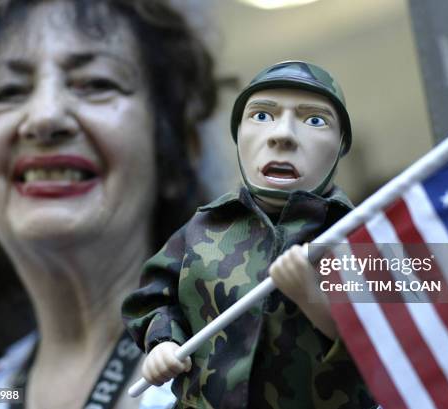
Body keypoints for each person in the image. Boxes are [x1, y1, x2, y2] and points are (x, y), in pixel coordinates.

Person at [0, 0, 217, 408]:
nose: (45, 117)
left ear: (173, 151)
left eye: (95, 83)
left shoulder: (240, 353)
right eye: (9, 91)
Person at [122, 61, 376, 409]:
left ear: (341, 144)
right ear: (238, 134)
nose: (282, 135)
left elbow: (393, 345)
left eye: (314, 120)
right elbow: (153, 299)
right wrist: (163, 342)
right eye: (261, 116)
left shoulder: (363, 238)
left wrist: (314, 300)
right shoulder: (201, 230)